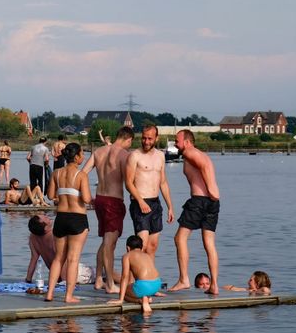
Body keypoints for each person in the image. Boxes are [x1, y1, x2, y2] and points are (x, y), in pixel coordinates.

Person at [172, 129, 222, 294]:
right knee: (209, 244)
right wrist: (213, 193)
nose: (175, 144)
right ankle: (214, 285)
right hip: (212, 203)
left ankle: (184, 279)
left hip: (200, 201)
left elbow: (205, 165)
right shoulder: (197, 153)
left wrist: (210, 188)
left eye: (177, 141)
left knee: (180, 238)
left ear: (187, 142)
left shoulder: (190, 153)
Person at [85, 126, 134, 293]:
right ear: (128, 139)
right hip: (113, 200)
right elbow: (129, 182)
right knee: (109, 242)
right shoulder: (123, 155)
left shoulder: (99, 151)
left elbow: (82, 173)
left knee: (105, 241)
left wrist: (87, 196)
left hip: (99, 199)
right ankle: (110, 284)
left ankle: (99, 279)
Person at [44, 143, 91, 304]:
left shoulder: (57, 173)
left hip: (61, 218)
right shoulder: (81, 175)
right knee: (73, 259)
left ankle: (49, 293)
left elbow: (50, 195)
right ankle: (68, 296)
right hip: (77, 218)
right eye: (82, 154)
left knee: (58, 258)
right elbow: (86, 199)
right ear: (76, 157)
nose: (83, 157)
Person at [125, 125, 174, 259]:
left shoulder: (160, 156)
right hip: (139, 202)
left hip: (155, 203)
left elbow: (163, 182)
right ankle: (134, 278)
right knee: (142, 245)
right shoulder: (135, 155)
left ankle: (149, 278)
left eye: (150, 139)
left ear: (156, 138)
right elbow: (128, 183)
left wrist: (170, 206)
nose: (146, 142)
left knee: (152, 246)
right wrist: (140, 201)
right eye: (144, 138)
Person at [107, 235, 163, 315]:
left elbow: (124, 277)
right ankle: (148, 297)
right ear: (142, 247)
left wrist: (120, 299)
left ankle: (141, 300)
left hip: (144, 286)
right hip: (156, 284)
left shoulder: (127, 256)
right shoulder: (147, 255)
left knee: (124, 291)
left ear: (128, 248)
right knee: (134, 286)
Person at [24, 213, 56, 284]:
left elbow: (33, 259)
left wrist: (28, 280)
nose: (47, 216)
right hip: (71, 274)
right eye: (45, 217)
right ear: (46, 228)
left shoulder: (32, 237)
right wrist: (64, 281)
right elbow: (63, 260)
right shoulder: (54, 235)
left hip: (55, 275)